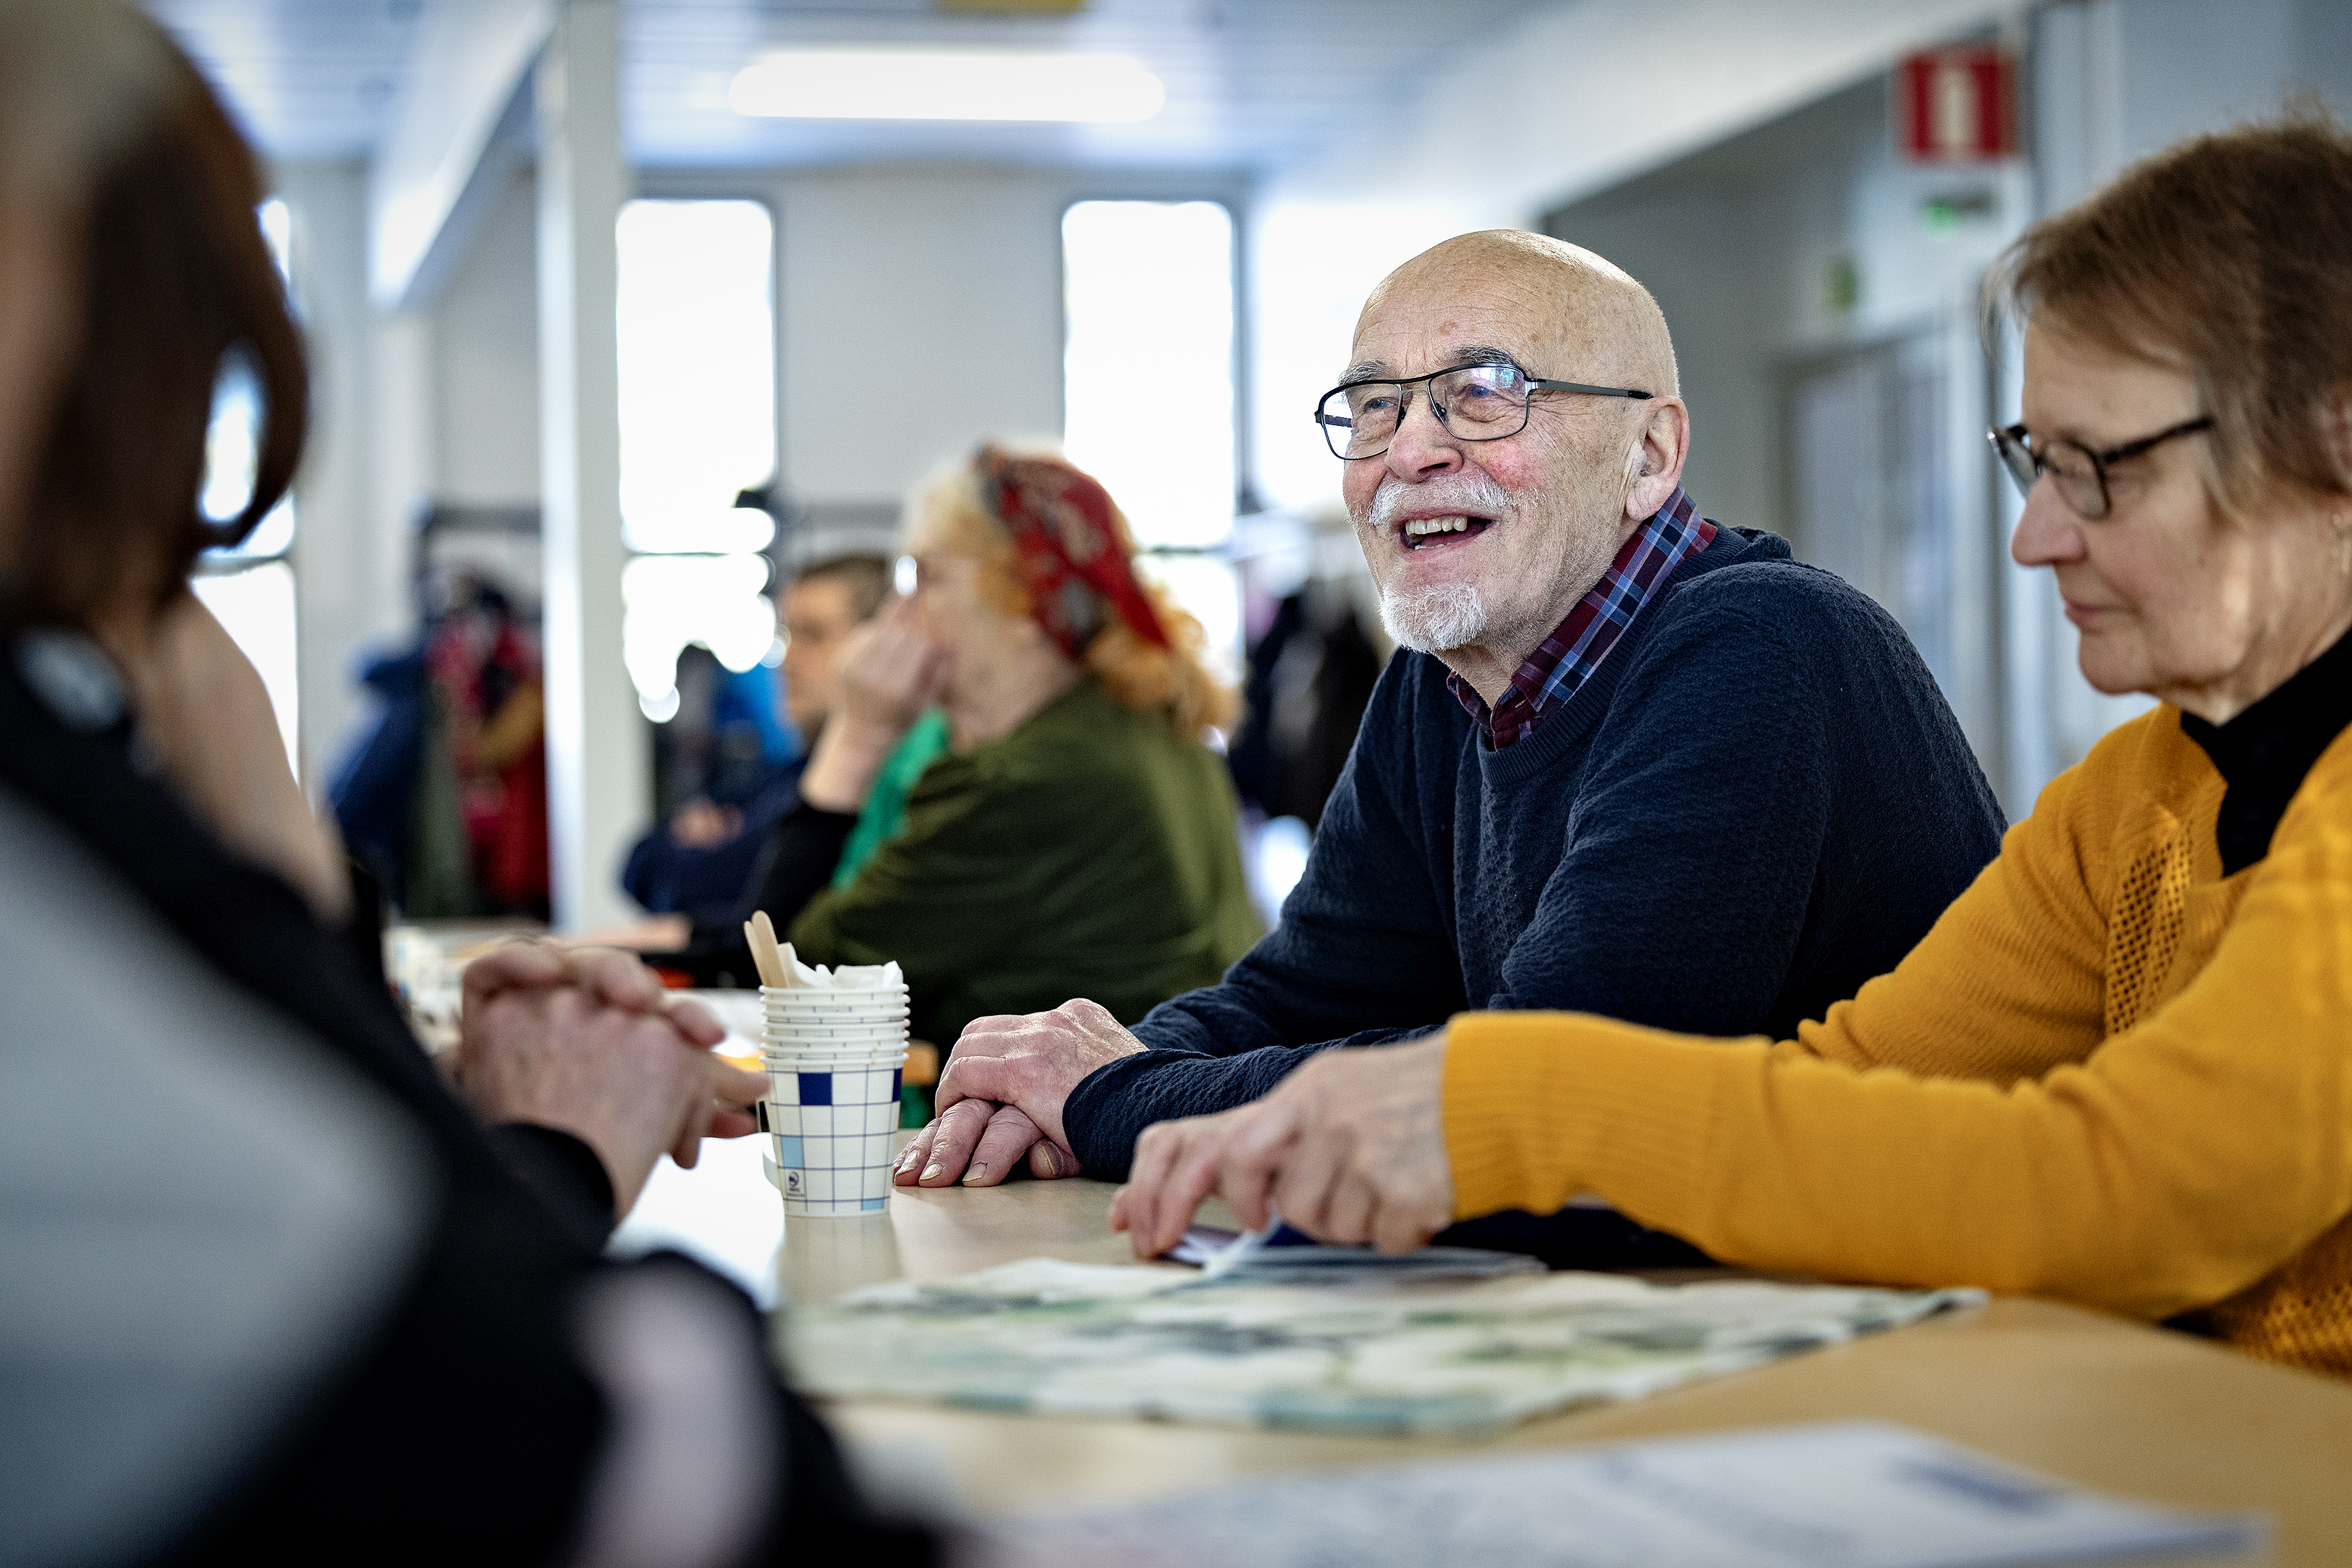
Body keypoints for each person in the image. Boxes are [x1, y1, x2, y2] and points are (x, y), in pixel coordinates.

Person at [1111, 116, 2352, 1379]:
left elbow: (2116, 1181)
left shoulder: (1761, 646)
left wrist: (1511, 1106)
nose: (2035, 537)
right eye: (2037, 461)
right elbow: (1856, 1080)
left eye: (2102, 469)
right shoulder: (2142, 785)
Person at [0, 5, 935, 1560]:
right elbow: (500, 1403)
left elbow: (775, 913)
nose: (805, 650)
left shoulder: (966, 773)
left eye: (840, 626)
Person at [897, 228, 2006, 1207]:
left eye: (1486, 390)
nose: (1411, 451)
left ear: (1651, 456)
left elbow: (1540, 1094)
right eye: (1375, 405)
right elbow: (1306, 992)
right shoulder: (1439, 680)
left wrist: (1112, 1091)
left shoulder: (1761, 646)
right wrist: (1066, 1072)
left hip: (1928, 1326)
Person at [747, 447, 1260, 1084]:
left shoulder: (1025, 778)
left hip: (1084, 1158)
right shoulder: (1156, 729)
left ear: (1024, 600)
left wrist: (855, 739)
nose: (899, 617)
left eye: (925, 578)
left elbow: (797, 979)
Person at [620, 553, 892, 928]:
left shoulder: (875, 784)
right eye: (787, 635)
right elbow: (638, 862)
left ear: (881, 649)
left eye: (813, 635)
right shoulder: (785, 774)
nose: (787, 660)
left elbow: (729, 890)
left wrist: (694, 893)